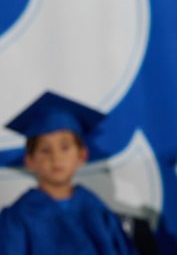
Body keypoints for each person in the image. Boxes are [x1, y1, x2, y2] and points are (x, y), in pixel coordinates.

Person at [0, 91, 136, 254]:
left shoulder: (98, 211)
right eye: (45, 150)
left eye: (65, 147)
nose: (56, 158)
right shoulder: (18, 218)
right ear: (29, 160)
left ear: (82, 155)